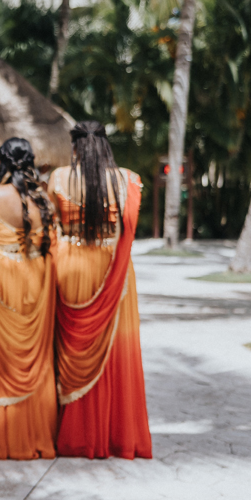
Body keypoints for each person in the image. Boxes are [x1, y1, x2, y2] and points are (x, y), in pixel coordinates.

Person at [49, 121, 151, 459]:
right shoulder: (129, 179)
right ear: (106, 146)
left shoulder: (59, 178)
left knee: (73, 347)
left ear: (75, 147)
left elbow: (52, 229)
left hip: (72, 265)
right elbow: (127, 230)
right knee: (115, 353)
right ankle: (113, 434)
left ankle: (73, 434)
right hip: (113, 270)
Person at [0, 138, 57, 460]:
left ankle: (5, 436)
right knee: (34, 357)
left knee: (2, 357)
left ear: (1, 162)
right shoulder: (43, 198)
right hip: (35, 276)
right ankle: (36, 434)